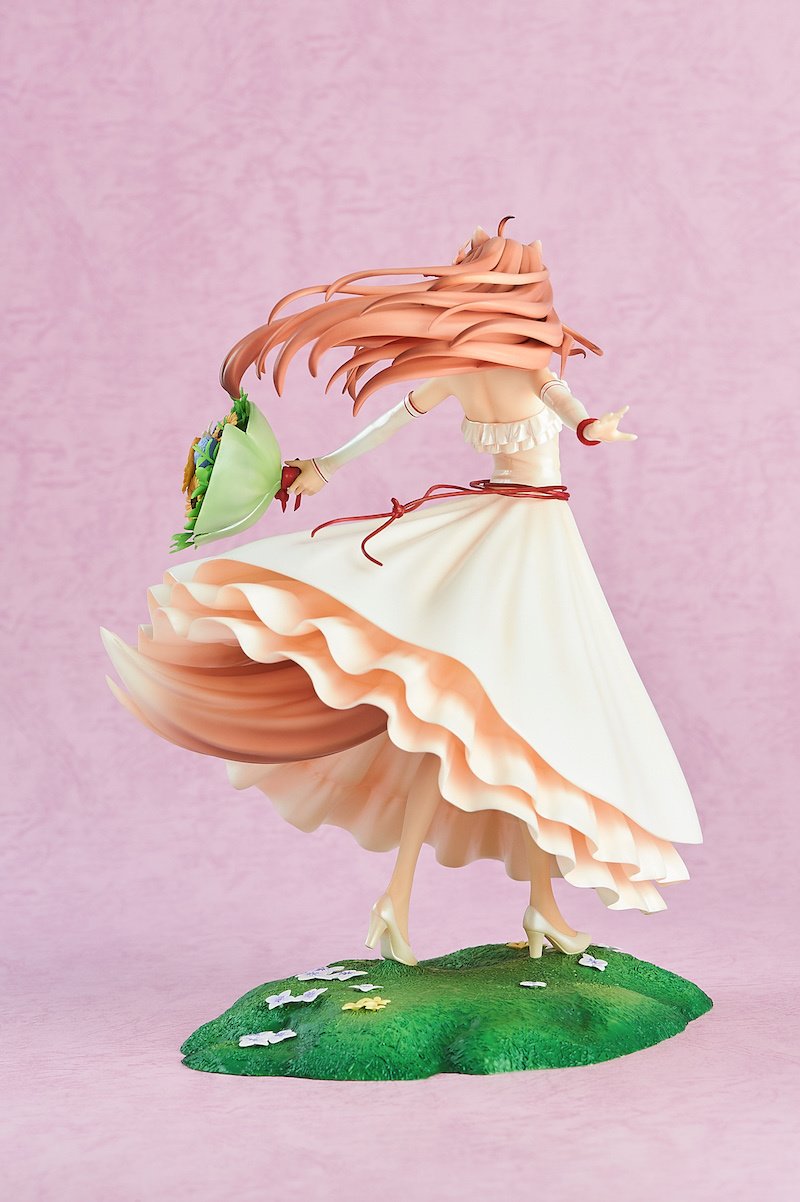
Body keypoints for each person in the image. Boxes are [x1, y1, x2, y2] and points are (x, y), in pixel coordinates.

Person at [101, 216, 703, 966]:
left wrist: (325, 468)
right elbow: (569, 417)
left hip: (502, 530)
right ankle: (503, 905)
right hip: (526, 541)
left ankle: (494, 905)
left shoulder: (465, 372)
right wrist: (594, 431)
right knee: (526, 722)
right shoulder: (529, 368)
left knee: (475, 725)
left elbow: (395, 423)